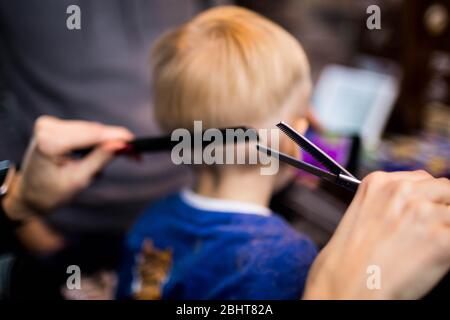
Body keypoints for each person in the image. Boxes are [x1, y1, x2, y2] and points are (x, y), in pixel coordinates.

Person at [1, 116, 449, 299]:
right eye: (305, 125)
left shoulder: (149, 219)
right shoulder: (290, 259)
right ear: (293, 130)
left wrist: (16, 201)